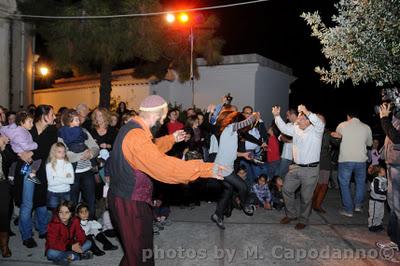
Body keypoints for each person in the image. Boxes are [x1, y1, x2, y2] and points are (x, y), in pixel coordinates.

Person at [107, 95, 222, 266]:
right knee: (138, 256)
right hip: (129, 203)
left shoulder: (133, 128)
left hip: (130, 200)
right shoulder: (136, 136)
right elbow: (164, 167)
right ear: (157, 115)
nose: (162, 120)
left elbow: (149, 150)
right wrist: (205, 169)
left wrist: (171, 139)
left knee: (139, 251)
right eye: (163, 117)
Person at [273, 104, 325, 230]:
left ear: (308, 121)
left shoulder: (316, 131)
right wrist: (276, 116)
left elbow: (319, 123)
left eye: (301, 119)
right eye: (298, 119)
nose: (297, 121)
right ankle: (291, 214)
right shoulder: (295, 129)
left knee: (306, 197)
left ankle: (303, 219)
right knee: (286, 189)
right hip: (295, 167)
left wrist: (306, 111)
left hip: (310, 169)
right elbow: (284, 128)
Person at [14, 105, 58, 248]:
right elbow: (14, 141)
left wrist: (29, 153)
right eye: (52, 114)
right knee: (27, 204)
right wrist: (21, 153)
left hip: (42, 170)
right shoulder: (28, 127)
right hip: (26, 169)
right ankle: (26, 235)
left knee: (41, 201)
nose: (55, 117)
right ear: (44, 116)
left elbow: (45, 149)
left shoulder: (52, 130)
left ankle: (43, 229)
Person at [211, 110, 259, 230]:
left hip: (227, 168)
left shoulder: (233, 134)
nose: (244, 124)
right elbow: (246, 122)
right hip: (222, 168)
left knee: (228, 190)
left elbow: (231, 152)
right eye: (241, 121)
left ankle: (218, 215)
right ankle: (245, 205)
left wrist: (243, 155)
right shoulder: (229, 128)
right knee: (243, 186)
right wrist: (254, 116)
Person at [332, 110, 372, 217]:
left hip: (346, 159)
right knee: (360, 183)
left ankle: (348, 209)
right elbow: (370, 143)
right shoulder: (366, 127)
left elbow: (336, 139)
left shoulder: (342, 125)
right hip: (361, 160)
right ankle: (358, 205)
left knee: (344, 184)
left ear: (348, 116)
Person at [376, 103, 400, 255]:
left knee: (398, 207)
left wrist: (384, 119)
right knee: (393, 206)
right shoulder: (396, 118)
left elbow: (396, 138)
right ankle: (395, 241)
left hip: (399, 167)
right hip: (392, 165)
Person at [0, 111, 42, 184]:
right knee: (37, 159)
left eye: (32, 122)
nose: (32, 125)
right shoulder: (21, 132)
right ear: (22, 122)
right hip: (21, 150)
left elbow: (3, 129)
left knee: (23, 164)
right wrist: (35, 145)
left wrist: (5, 135)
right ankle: (32, 174)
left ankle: (12, 176)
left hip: (19, 151)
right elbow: (25, 146)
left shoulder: (19, 130)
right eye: (30, 122)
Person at [46, 142, 74, 210]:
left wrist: (55, 178)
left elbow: (71, 181)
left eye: (64, 151)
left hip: (66, 192)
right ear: (54, 152)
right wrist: (65, 178)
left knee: (66, 213)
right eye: (59, 152)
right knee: (54, 215)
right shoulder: (49, 165)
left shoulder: (68, 164)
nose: (62, 154)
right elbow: (51, 183)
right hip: (53, 193)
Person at [0, 134, 12, 257]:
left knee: (3, 215)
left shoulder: (4, 149)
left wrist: (3, 147)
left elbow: (11, 159)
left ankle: (4, 246)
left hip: (2, 184)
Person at [278, 109, 298, 178]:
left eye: (288, 115)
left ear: (293, 115)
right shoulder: (288, 124)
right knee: (280, 175)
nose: (287, 117)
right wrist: (289, 140)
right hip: (284, 155)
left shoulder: (299, 126)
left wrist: (285, 138)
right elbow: (280, 137)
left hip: (294, 158)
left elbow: (297, 140)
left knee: (290, 177)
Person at [368, 166, 387, 232]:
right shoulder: (376, 180)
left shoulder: (384, 179)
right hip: (375, 200)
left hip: (382, 200)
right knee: (374, 214)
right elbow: (376, 190)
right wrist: (385, 192)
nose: (385, 171)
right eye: (383, 170)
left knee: (381, 213)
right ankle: (372, 226)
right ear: (379, 173)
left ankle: (378, 225)